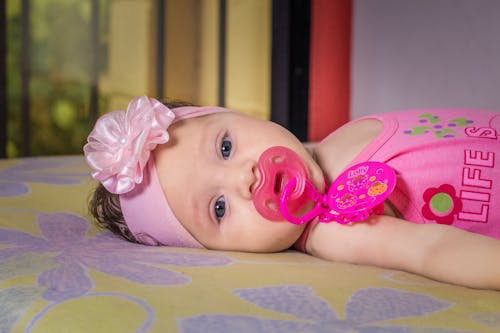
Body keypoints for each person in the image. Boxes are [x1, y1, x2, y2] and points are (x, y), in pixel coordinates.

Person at [84, 96, 500, 290]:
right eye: (219, 208)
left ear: (237, 113)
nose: (244, 179)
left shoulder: (336, 141)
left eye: (226, 148)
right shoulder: (335, 226)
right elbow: (431, 250)